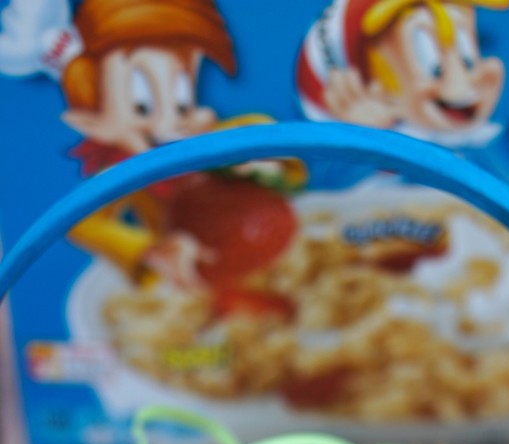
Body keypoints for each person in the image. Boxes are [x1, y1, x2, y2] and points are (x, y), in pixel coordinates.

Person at [0, 0, 304, 296]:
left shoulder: (218, 138)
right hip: (187, 274)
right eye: (142, 106)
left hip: (277, 247)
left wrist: (260, 162)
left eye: (182, 100)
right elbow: (79, 221)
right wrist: (146, 249)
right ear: (91, 121)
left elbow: (263, 131)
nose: (168, 123)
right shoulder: (124, 174)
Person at [296, 0, 509, 144]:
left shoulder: (487, 144)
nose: (458, 90)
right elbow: (333, 188)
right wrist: (362, 137)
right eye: (433, 67)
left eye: (467, 61)